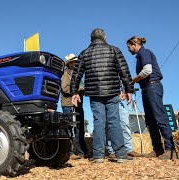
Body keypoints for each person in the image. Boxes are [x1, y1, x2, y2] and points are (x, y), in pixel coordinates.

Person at [71, 28, 134, 163]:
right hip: (112, 91)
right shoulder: (114, 50)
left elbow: (76, 75)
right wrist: (129, 89)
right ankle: (121, 155)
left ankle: (98, 155)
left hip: (94, 93)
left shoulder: (84, 53)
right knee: (114, 121)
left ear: (91, 39)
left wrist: (74, 92)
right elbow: (124, 70)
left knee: (99, 122)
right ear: (104, 37)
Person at [126, 36, 177, 160]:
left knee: (160, 117)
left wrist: (132, 80)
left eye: (129, 47)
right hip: (147, 88)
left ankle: (171, 150)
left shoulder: (144, 52)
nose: (129, 50)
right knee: (150, 120)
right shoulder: (140, 56)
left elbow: (147, 71)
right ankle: (158, 149)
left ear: (134, 44)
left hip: (153, 87)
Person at [61, 53, 88, 159]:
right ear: (69, 63)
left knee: (80, 128)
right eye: (74, 62)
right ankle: (70, 152)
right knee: (69, 128)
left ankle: (82, 151)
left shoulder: (77, 75)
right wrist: (80, 90)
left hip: (78, 105)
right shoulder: (65, 75)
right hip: (68, 104)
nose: (76, 63)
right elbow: (65, 89)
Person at [107, 93, 142, 160]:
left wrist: (126, 91)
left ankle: (128, 149)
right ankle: (112, 151)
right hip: (108, 97)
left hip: (117, 98)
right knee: (110, 125)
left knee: (125, 122)